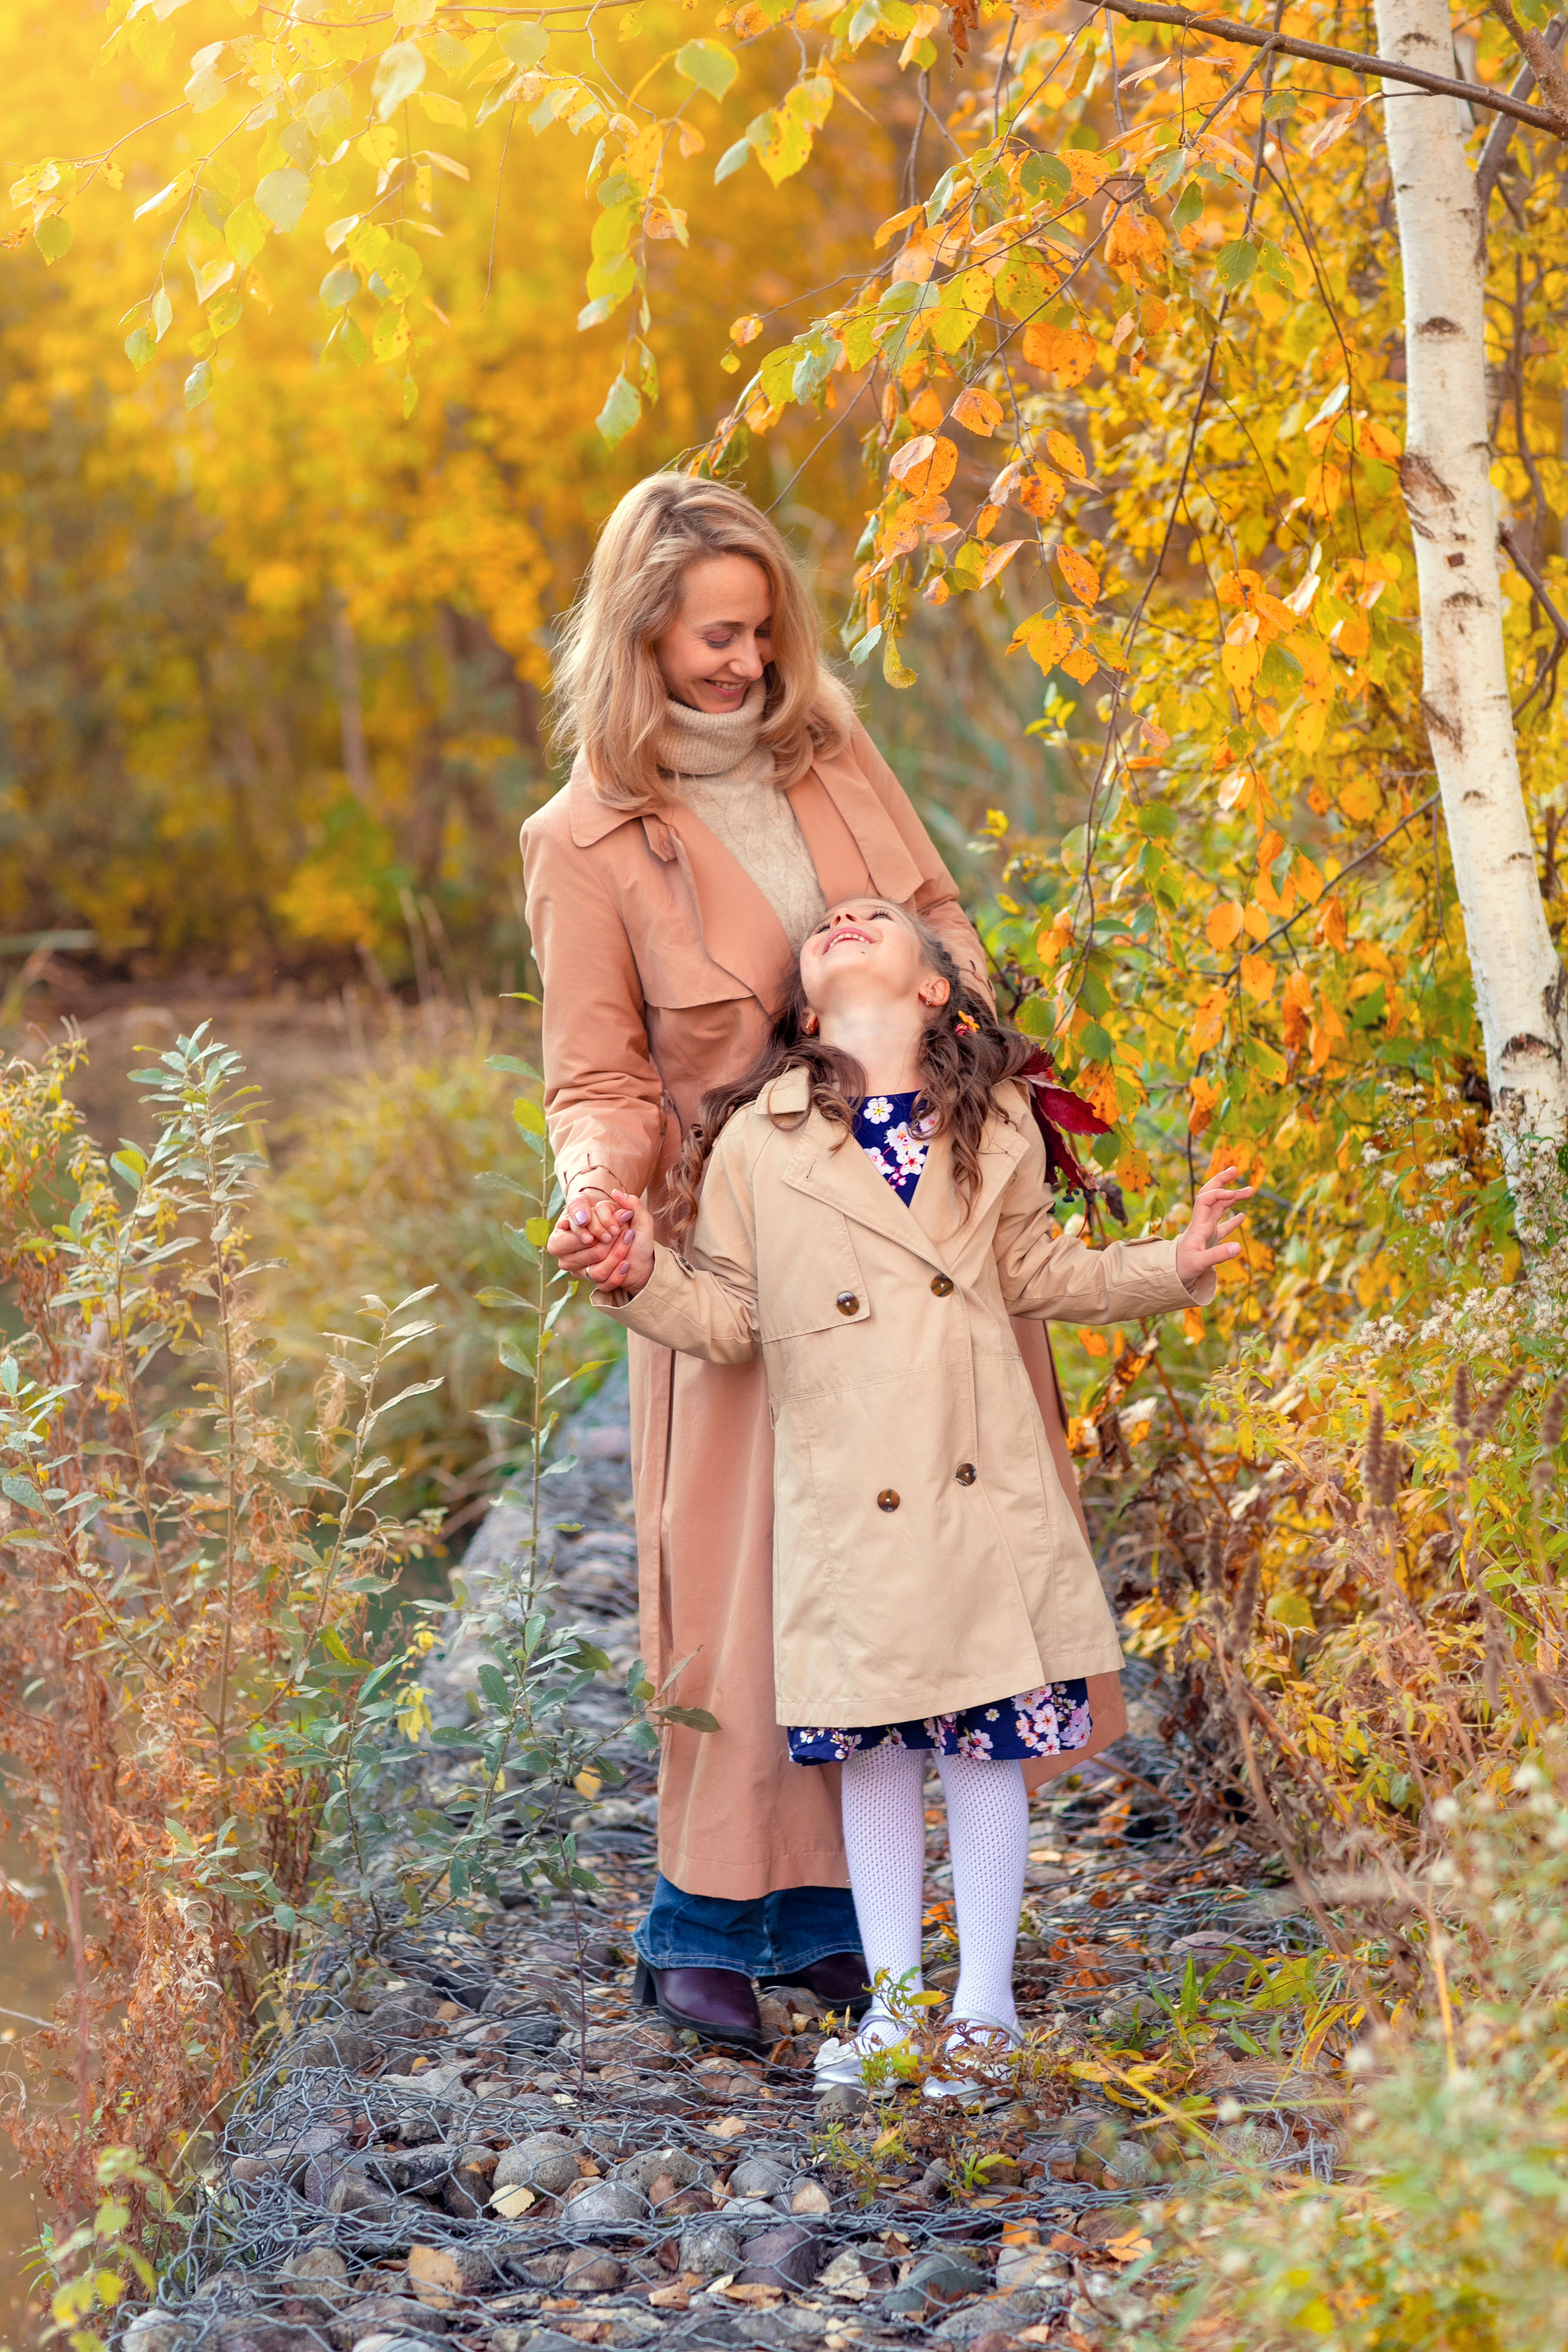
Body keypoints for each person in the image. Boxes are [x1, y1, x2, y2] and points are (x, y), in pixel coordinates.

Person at [526, 472, 1129, 2048]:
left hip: (914, 1192)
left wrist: (940, 1067)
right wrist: (598, 1191)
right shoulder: (580, 841)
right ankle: (706, 1923)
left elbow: (938, 917)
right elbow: (592, 1076)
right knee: (747, 1589)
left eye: (759, 629)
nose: (743, 663)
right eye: (709, 638)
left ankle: (851, 1936)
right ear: (635, 635)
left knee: (929, 1572)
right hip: (746, 1233)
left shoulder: (831, 751)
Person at [568, 896, 1250, 2086]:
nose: (843, 918)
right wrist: (635, 1274)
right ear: (799, 1004)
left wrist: (1171, 1267)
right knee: (876, 1759)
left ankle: (981, 2008)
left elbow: (1040, 1272)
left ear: (934, 987)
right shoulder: (758, 1141)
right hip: (847, 1503)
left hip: (973, 1488)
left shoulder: (991, 1122)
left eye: (875, 916)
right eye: (826, 922)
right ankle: (889, 2011)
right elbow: (726, 1319)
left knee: (983, 1749)